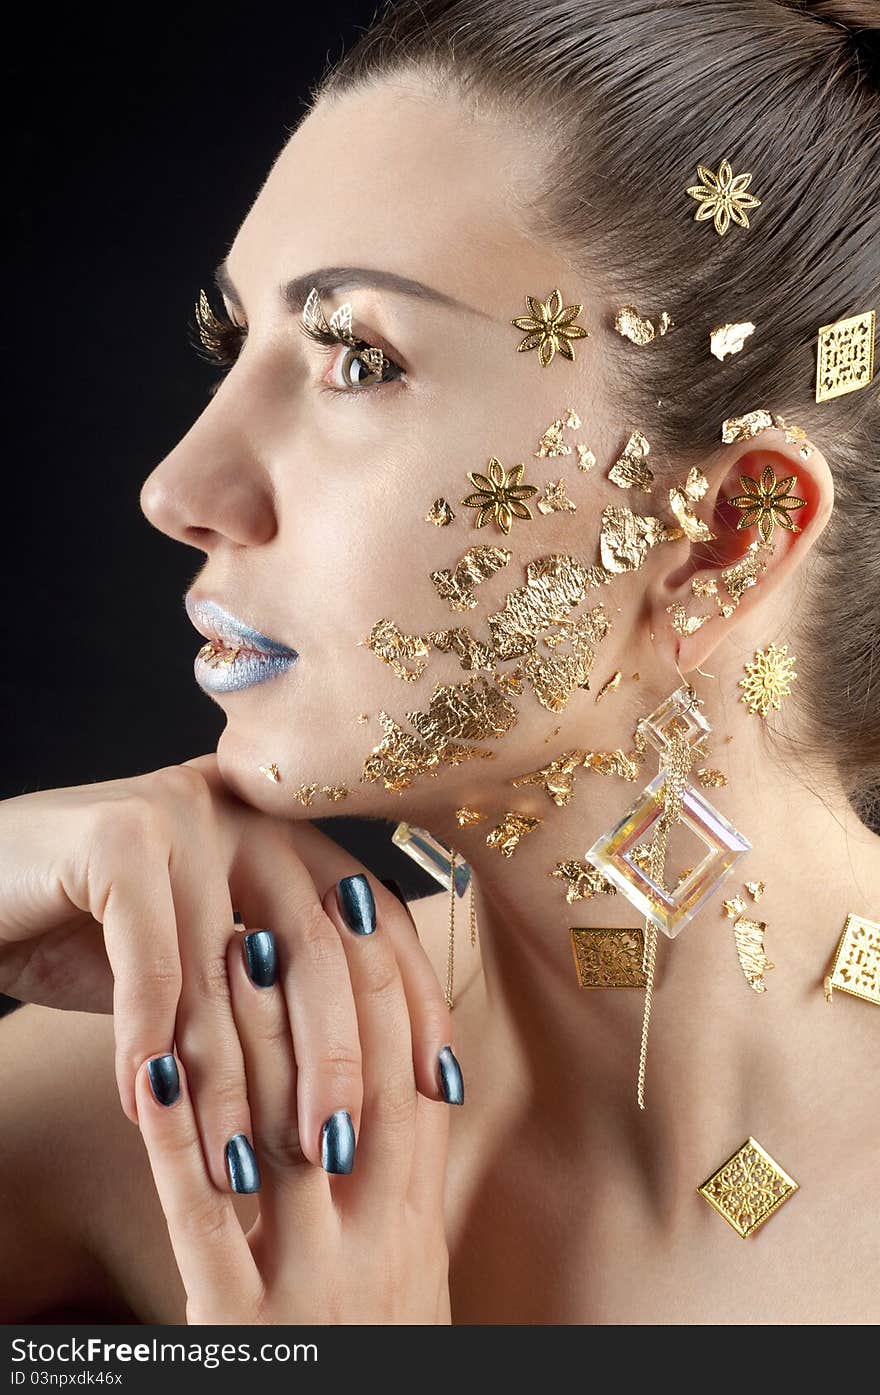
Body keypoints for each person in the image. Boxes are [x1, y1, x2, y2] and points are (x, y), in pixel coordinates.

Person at [2, 0, 878, 1325]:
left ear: (720, 539)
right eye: (232, 346)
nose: (182, 487)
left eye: (357, 356)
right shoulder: (146, 1107)